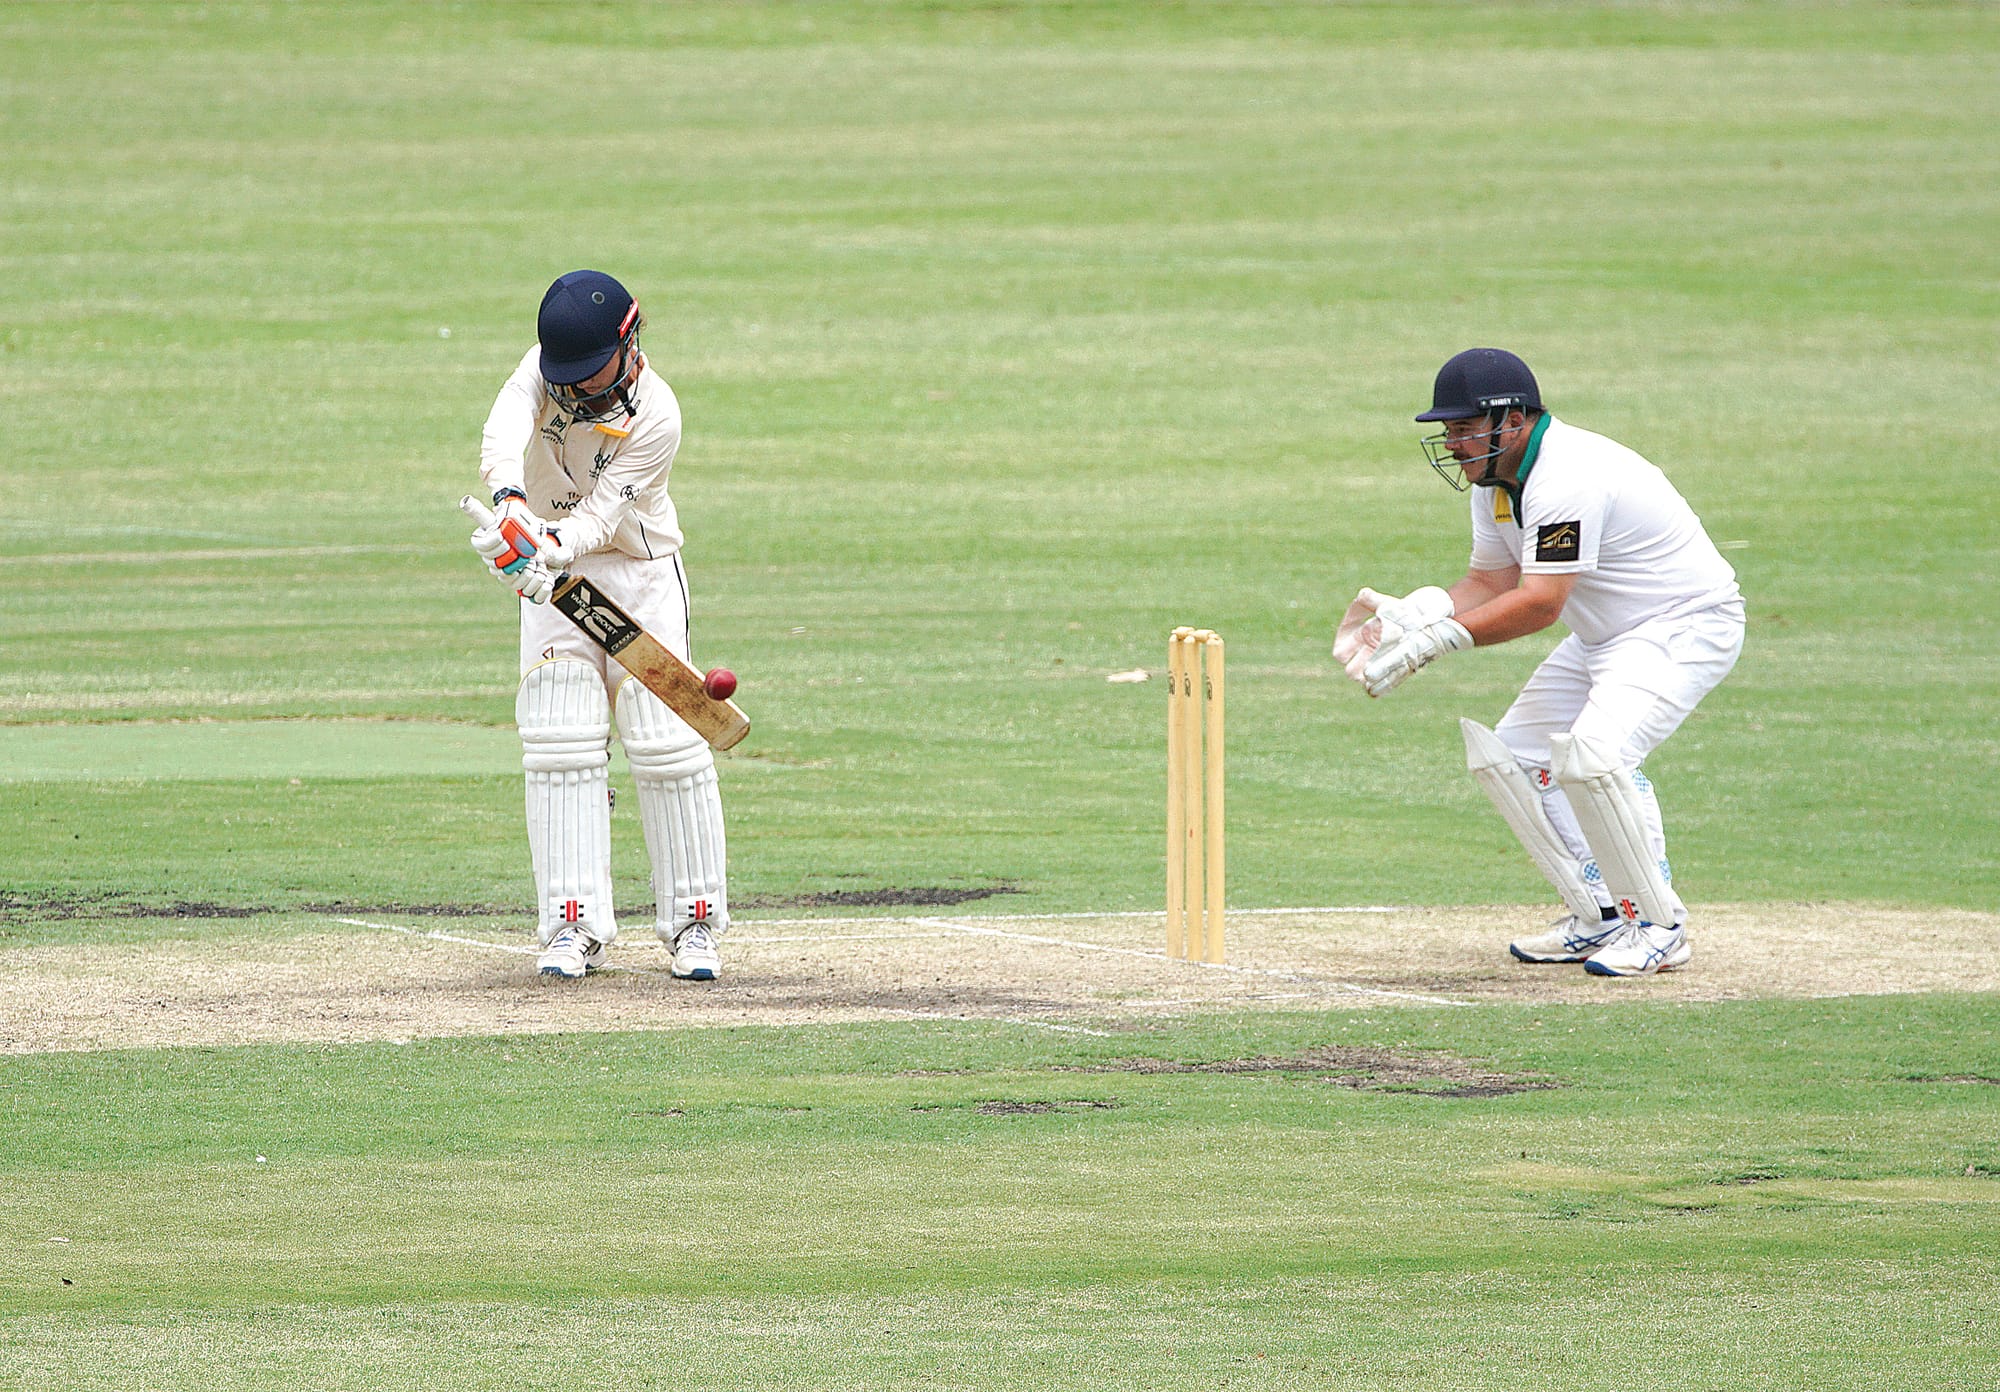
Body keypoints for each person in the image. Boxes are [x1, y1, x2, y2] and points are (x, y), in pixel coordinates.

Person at [1334, 348, 1743, 976]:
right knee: (1518, 758)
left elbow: (1541, 604)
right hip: (1605, 636)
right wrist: (1417, 615)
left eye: (1467, 427)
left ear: (1514, 418)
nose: (1456, 442)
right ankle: (1599, 913)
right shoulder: (1499, 480)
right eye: (1449, 431)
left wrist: (1440, 641)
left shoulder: (1568, 475)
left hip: (1682, 626)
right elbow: (1493, 579)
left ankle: (1660, 926)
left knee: (1598, 755)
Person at [466, 269, 729, 981]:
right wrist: (509, 509)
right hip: (555, 571)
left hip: (637, 573)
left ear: (627, 342)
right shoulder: (543, 370)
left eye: (591, 373)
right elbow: (503, 429)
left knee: (663, 733)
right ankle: (571, 926)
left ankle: (694, 924)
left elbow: (602, 516)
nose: (578, 389)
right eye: (568, 376)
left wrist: (545, 548)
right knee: (558, 729)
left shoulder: (659, 414)